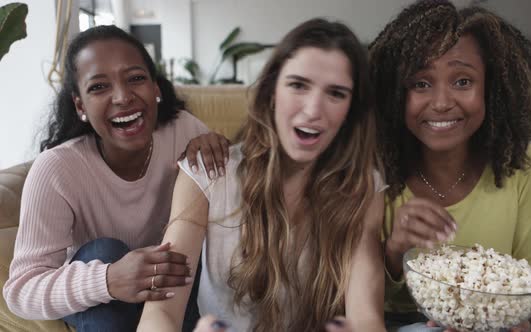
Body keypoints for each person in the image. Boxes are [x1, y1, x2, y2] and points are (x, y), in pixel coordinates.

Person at [137, 18, 387, 332]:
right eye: (298, 85)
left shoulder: (365, 186)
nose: (312, 110)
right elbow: (160, 314)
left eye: (336, 93)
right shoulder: (208, 174)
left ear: (352, 111)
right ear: (271, 91)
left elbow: (366, 318)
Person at [3, 25, 210, 332]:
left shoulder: (184, 131)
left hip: (169, 290)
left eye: (136, 78)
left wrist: (217, 146)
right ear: (80, 106)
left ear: (156, 88)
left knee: (192, 262)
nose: (123, 97)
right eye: (99, 87)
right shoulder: (57, 168)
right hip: (102, 301)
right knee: (104, 252)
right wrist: (108, 278)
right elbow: (20, 292)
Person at [368, 0, 531, 331]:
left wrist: (512, 317)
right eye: (420, 83)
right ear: (396, 92)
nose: (441, 103)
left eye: (463, 82)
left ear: (491, 88)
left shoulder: (523, 166)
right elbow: (358, 303)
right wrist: (395, 249)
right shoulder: (375, 167)